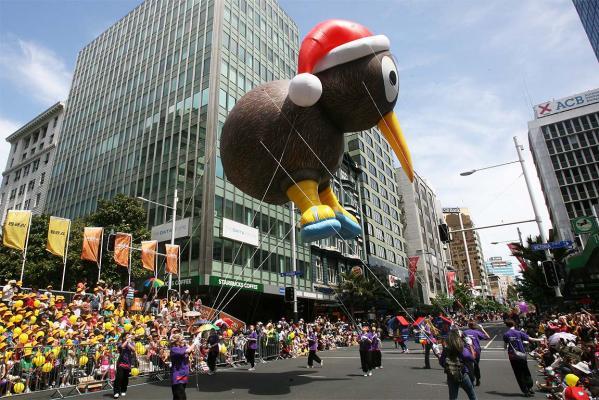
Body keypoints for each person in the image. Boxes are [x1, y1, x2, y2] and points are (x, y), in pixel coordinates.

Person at [503, 319, 543, 397]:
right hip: (522, 355)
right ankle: (530, 387)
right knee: (526, 371)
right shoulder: (519, 333)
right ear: (514, 325)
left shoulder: (506, 334)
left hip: (513, 356)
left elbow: (505, 346)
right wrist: (541, 339)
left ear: (507, 326)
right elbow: (531, 339)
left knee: (518, 374)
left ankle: (525, 391)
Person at [439, 329, 477, 400]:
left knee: (453, 397)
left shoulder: (446, 350)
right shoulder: (462, 349)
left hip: (451, 375)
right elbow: (472, 358)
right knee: (472, 395)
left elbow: (441, 363)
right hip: (462, 374)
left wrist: (438, 353)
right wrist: (470, 345)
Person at [463, 320, 489, 386]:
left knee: (468, 365)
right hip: (476, 350)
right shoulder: (477, 332)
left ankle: (470, 379)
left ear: (468, 326)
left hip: (467, 350)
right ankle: (477, 379)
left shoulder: (465, 332)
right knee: (476, 365)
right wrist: (482, 329)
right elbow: (487, 337)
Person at [170, 334, 194, 400]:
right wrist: (195, 343)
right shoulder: (174, 349)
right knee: (181, 396)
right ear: (177, 341)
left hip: (184, 374)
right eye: (182, 339)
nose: (184, 341)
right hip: (178, 376)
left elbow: (190, 350)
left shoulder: (183, 348)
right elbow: (188, 350)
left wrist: (187, 344)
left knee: (178, 397)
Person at [113, 333, 136, 399]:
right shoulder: (120, 343)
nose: (129, 336)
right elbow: (122, 347)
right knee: (119, 378)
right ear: (123, 337)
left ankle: (123, 390)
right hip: (121, 362)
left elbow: (134, 350)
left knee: (125, 378)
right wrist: (127, 341)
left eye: (129, 336)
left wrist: (129, 342)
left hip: (128, 362)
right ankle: (116, 392)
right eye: (127, 336)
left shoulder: (131, 343)